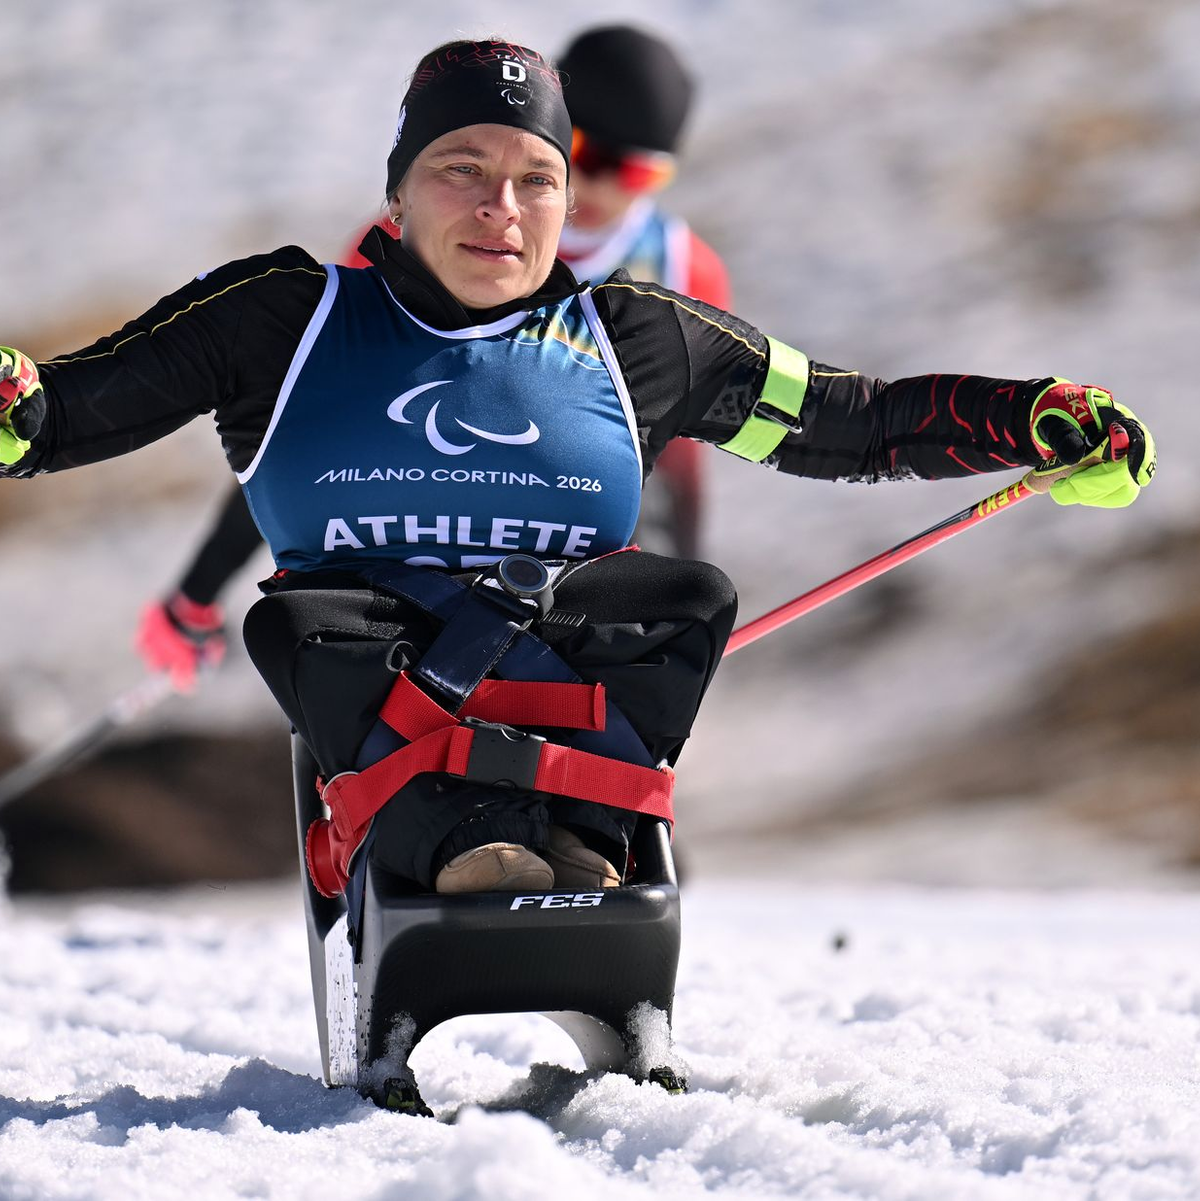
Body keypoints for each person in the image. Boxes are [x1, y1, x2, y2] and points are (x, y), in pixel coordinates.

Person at [0, 38, 1155, 901]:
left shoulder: (640, 339)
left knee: (684, 597)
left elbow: (855, 424)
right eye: (462, 168)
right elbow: (62, 415)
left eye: (536, 178)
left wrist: (1034, 419)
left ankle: (579, 839)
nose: (502, 207)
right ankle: (462, 845)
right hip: (375, 675)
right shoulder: (282, 317)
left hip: (560, 670)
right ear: (396, 195)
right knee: (303, 623)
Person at [133, 26, 725, 695]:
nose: (600, 186)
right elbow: (306, 428)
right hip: (410, 583)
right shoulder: (411, 242)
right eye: (586, 151)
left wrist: (677, 626)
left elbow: (682, 467)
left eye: (636, 172)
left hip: (569, 597)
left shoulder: (682, 271)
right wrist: (199, 590)